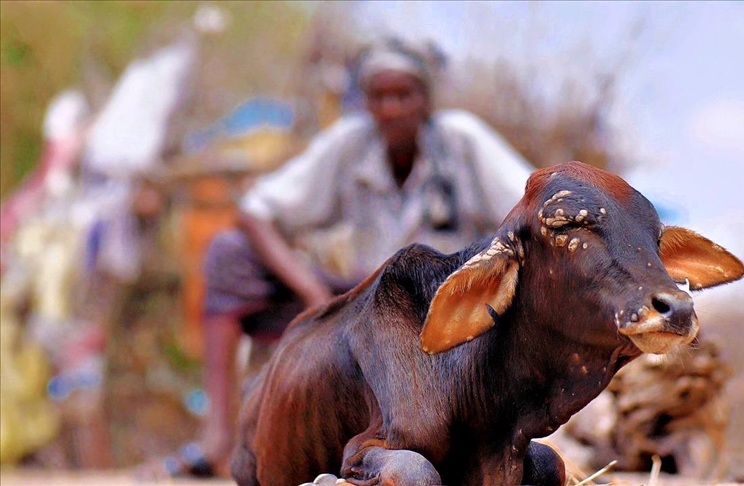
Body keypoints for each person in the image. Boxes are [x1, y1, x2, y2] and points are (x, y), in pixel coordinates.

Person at [154, 37, 535, 478]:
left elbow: (530, 208)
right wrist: (313, 293)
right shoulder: (350, 143)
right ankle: (218, 437)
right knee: (228, 253)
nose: (390, 109)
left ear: (426, 100)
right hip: (361, 306)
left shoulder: (461, 141)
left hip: (449, 312)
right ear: (365, 102)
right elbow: (256, 212)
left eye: (403, 95)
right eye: (378, 97)